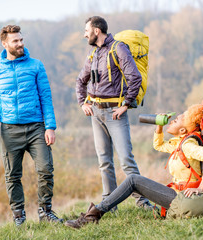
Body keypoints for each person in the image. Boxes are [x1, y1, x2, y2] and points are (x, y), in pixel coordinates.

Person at [64, 104, 203, 229]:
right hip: (177, 194)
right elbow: (158, 145)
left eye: (177, 120)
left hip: (180, 198)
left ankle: (91, 217)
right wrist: (159, 126)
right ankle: (94, 214)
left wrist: (201, 187)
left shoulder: (188, 145)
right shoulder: (179, 143)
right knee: (134, 181)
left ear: (182, 130)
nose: (172, 120)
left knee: (133, 180)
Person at [0, 25, 63, 226]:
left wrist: (50, 127)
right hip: (10, 131)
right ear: (5, 44)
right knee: (12, 175)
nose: (20, 43)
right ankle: (19, 216)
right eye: (15, 41)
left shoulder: (36, 66)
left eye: (21, 39)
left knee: (46, 169)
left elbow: (46, 97)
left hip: (37, 127)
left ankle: (45, 212)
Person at [75, 16, 152, 210]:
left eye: (86, 31)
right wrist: (82, 102)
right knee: (104, 162)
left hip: (115, 114)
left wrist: (126, 105)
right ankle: (109, 204)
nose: (84, 34)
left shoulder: (119, 48)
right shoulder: (93, 54)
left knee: (126, 160)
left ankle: (143, 202)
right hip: (96, 114)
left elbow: (134, 78)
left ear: (96, 31)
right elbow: (80, 81)